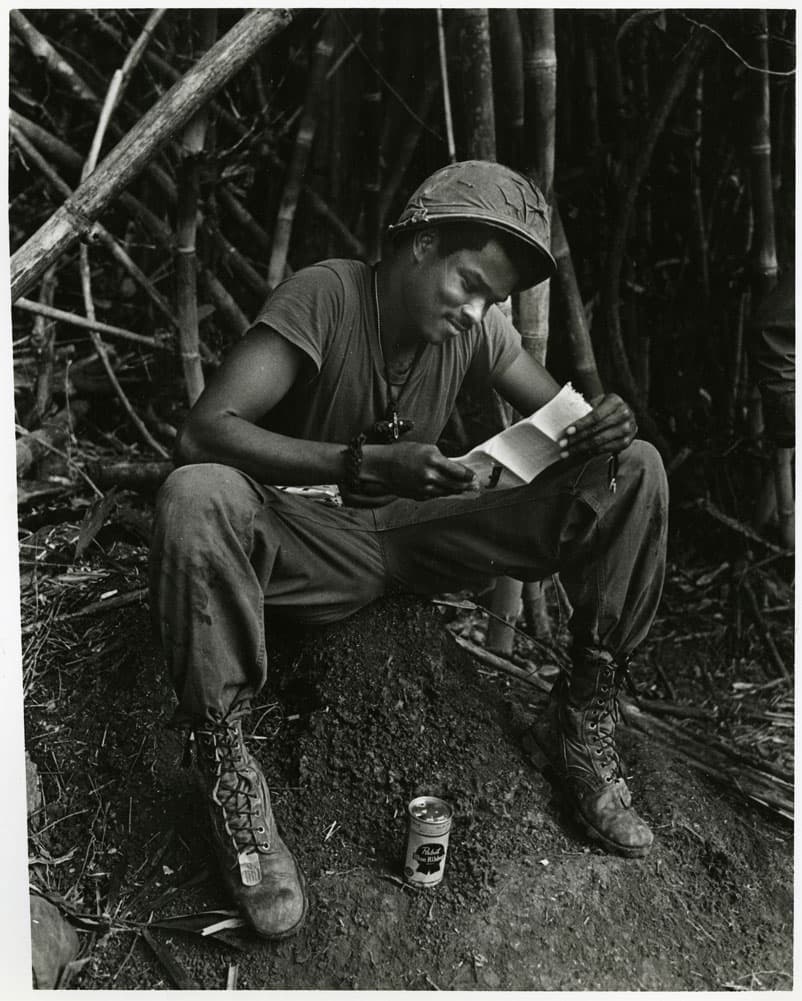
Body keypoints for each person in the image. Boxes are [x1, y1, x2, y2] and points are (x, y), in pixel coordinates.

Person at [150, 160, 668, 940]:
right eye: (469, 282)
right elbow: (204, 430)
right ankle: (226, 765)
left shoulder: (479, 332)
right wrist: (354, 462)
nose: (477, 309)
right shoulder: (326, 295)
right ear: (419, 245)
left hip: (419, 537)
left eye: (493, 298)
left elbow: (567, 424)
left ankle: (581, 716)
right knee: (196, 494)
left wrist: (604, 424)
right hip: (306, 540)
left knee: (638, 470)